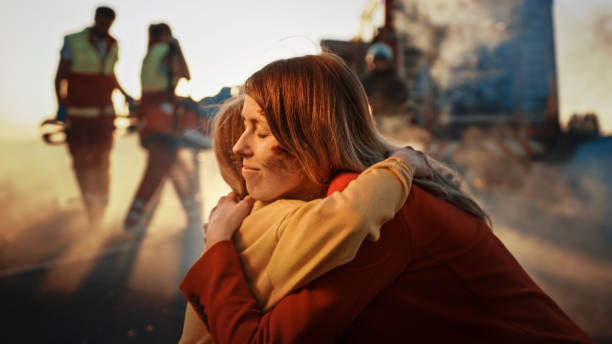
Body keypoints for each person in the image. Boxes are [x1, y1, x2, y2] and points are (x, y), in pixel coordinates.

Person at [180, 53, 593, 343]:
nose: (238, 148)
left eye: (262, 131)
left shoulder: (371, 213)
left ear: (313, 140)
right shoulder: (353, 199)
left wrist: (218, 246)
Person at [178, 96, 432, 343]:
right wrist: (402, 162)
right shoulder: (274, 217)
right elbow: (351, 214)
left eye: (263, 132)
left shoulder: (235, 216)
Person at [54, 6, 133, 225]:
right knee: (81, 163)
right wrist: (61, 106)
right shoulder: (74, 40)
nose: (105, 26)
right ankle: (91, 209)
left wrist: (126, 95)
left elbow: (109, 76)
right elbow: (60, 75)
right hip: (78, 117)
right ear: (96, 19)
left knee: (103, 162)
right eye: (102, 21)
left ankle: (100, 209)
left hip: (104, 117)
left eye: (109, 23)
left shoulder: (113, 44)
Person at [124, 23, 203, 232]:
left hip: (150, 119)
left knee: (175, 167)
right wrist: (177, 48)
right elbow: (185, 74)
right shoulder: (167, 52)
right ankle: (133, 221)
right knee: (157, 170)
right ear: (166, 35)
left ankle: (193, 216)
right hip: (165, 121)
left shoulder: (148, 55)